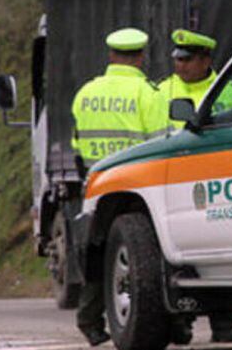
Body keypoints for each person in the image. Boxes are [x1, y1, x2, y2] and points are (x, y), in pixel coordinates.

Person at [72, 27, 167, 346]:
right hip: (136, 190)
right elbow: (160, 144)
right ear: (140, 57)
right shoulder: (149, 94)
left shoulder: (86, 93)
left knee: (98, 253)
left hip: (97, 185)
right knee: (141, 258)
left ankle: (89, 322)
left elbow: (76, 144)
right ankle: (171, 326)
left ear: (111, 55)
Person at [157, 29, 232, 344]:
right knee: (173, 263)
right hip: (172, 187)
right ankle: (180, 323)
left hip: (216, 188)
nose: (180, 65)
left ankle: (224, 324)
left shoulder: (229, 93)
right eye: (177, 59)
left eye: (187, 59)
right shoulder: (162, 91)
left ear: (206, 60)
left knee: (221, 260)